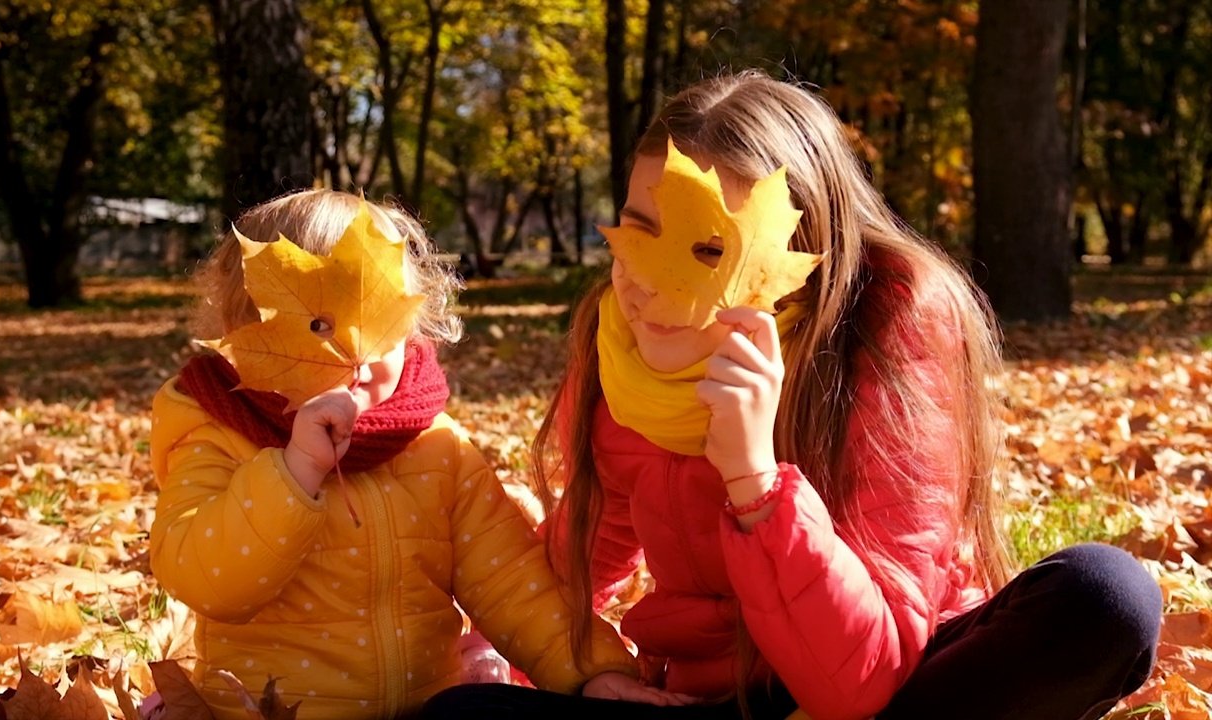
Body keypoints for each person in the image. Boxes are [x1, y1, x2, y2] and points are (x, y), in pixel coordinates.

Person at [418, 73, 1162, 720]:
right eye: (637, 232)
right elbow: (590, 545)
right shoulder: (619, 337)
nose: (646, 279)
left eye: (708, 250)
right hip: (714, 701)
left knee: (1103, 598)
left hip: (898, 688)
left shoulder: (889, 316)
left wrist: (755, 484)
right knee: (466, 714)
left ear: (800, 261)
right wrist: (499, 649)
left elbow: (860, 683)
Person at [148, 189, 683, 720]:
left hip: (423, 709)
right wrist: (294, 473)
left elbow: (514, 584)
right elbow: (205, 578)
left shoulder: (436, 446)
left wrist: (593, 670)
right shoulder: (219, 436)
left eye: (376, 319)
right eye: (316, 326)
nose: (354, 352)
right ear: (245, 339)